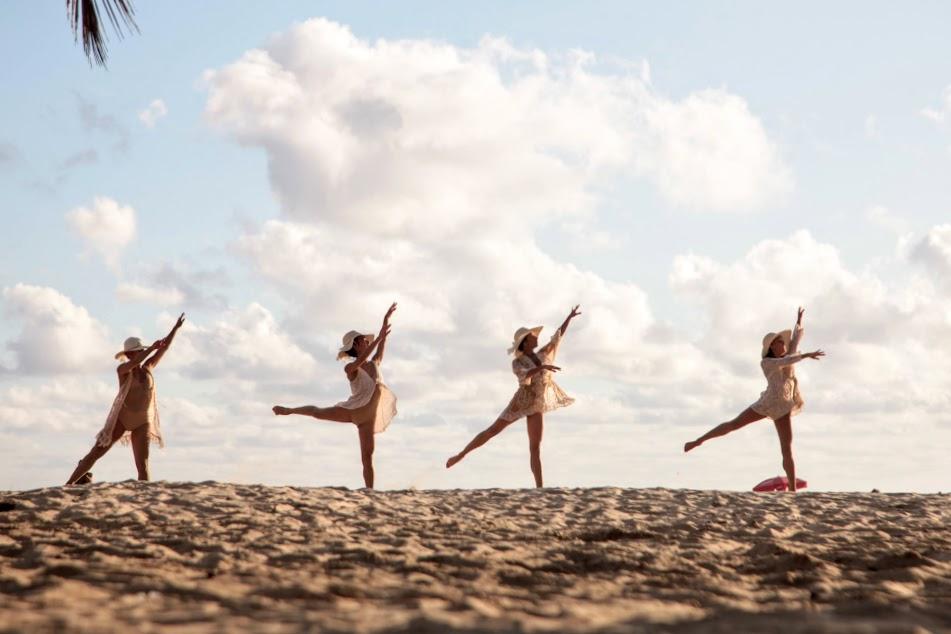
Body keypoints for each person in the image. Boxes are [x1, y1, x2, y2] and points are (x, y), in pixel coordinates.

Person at [683, 307, 825, 491]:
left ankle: (792, 489)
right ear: (772, 348)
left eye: (783, 342)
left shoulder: (788, 356)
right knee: (734, 424)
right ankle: (698, 441)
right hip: (768, 403)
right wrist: (805, 355)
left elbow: (795, 342)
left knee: (787, 448)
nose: (783, 345)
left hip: (782, 406)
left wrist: (798, 321)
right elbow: (784, 362)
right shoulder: (767, 362)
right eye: (779, 343)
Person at [446, 305, 581, 487]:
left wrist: (569, 317)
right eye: (532, 337)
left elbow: (557, 336)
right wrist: (541, 368)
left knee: (535, 447)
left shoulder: (544, 353)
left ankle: (539, 487)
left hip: (536, 404)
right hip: (521, 401)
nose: (536, 338)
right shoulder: (517, 363)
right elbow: (524, 375)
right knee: (492, 431)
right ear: (525, 343)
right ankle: (460, 455)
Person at [273, 303, 398, 489]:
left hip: (367, 419)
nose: (367, 342)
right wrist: (379, 338)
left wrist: (384, 323)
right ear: (356, 344)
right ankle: (290, 410)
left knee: (367, 456)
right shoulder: (349, 368)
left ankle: (370, 491)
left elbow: (378, 350)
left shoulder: (375, 364)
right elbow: (362, 359)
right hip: (353, 410)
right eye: (364, 340)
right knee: (318, 412)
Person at [65, 313, 186, 485]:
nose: (142, 353)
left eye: (142, 351)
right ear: (130, 354)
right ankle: (68, 484)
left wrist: (175, 328)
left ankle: (145, 496)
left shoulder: (148, 367)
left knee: (142, 464)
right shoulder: (123, 370)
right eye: (139, 351)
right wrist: (151, 349)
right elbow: (135, 362)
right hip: (122, 418)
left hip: (143, 420)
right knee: (96, 452)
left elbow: (164, 348)